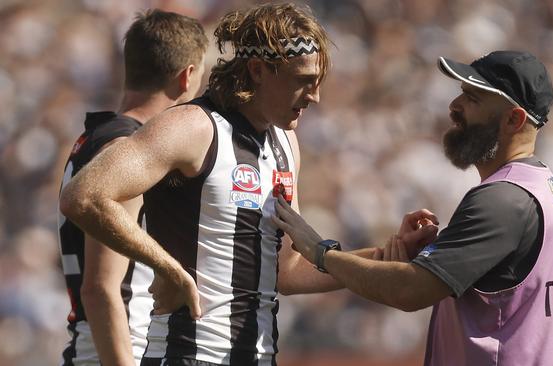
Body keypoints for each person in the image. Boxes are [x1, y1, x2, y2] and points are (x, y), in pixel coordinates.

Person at [60, 3, 427, 365]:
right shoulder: (193, 127)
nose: (314, 96)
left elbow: (288, 270)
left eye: (317, 83)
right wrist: (169, 269)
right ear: (257, 70)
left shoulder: (285, 142)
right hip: (188, 355)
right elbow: (84, 195)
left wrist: (384, 257)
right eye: (302, 81)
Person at [274, 50, 553, 365]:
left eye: (473, 99)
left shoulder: (504, 199)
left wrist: (320, 252)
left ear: (513, 119)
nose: (454, 106)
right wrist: (422, 257)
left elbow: (408, 291)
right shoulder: (547, 189)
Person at [57, 9, 207, 366]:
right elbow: (101, 287)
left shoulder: (96, 137)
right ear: (186, 77)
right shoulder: (125, 150)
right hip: (115, 352)